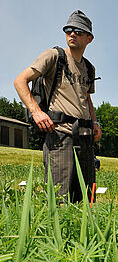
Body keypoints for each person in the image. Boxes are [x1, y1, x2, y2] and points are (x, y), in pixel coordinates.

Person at [13, 10, 101, 203]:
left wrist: (95, 122)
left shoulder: (89, 67)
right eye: (68, 29)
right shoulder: (54, 56)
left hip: (86, 141)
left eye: (78, 30)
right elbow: (20, 81)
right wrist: (36, 112)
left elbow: (87, 98)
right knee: (59, 200)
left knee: (86, 200)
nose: (72, 33)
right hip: (60, 137)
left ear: (89, 38)